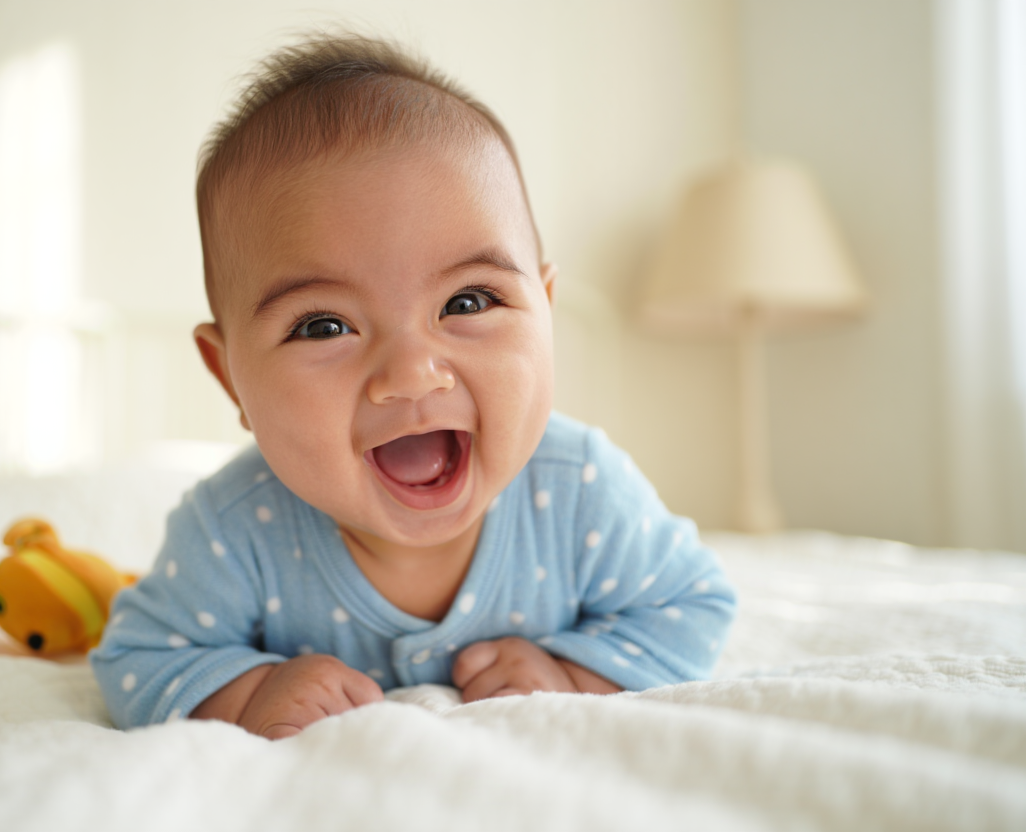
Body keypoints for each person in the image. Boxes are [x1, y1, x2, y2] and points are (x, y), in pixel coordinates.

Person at [90, 32, 736, 739]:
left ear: (545, 313)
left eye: (467, 302)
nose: (410, 374)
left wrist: (570, 676)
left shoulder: (580, 490)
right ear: (229, 377)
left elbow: (690, 605)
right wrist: (253, 694)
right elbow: (140, 657)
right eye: (323, 326)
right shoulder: (235, 528)